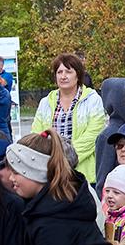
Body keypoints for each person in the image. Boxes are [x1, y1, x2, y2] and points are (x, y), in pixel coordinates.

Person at [31, 53, 108, 183]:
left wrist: (63, 158)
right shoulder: (45, 102)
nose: (63, 76)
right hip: (51, 171)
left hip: (82, 173)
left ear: (78, 75)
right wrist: (50, 159)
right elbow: (37, 134)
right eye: (59, 72)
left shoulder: (92, 99)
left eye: (68, 71)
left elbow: (93, 135)